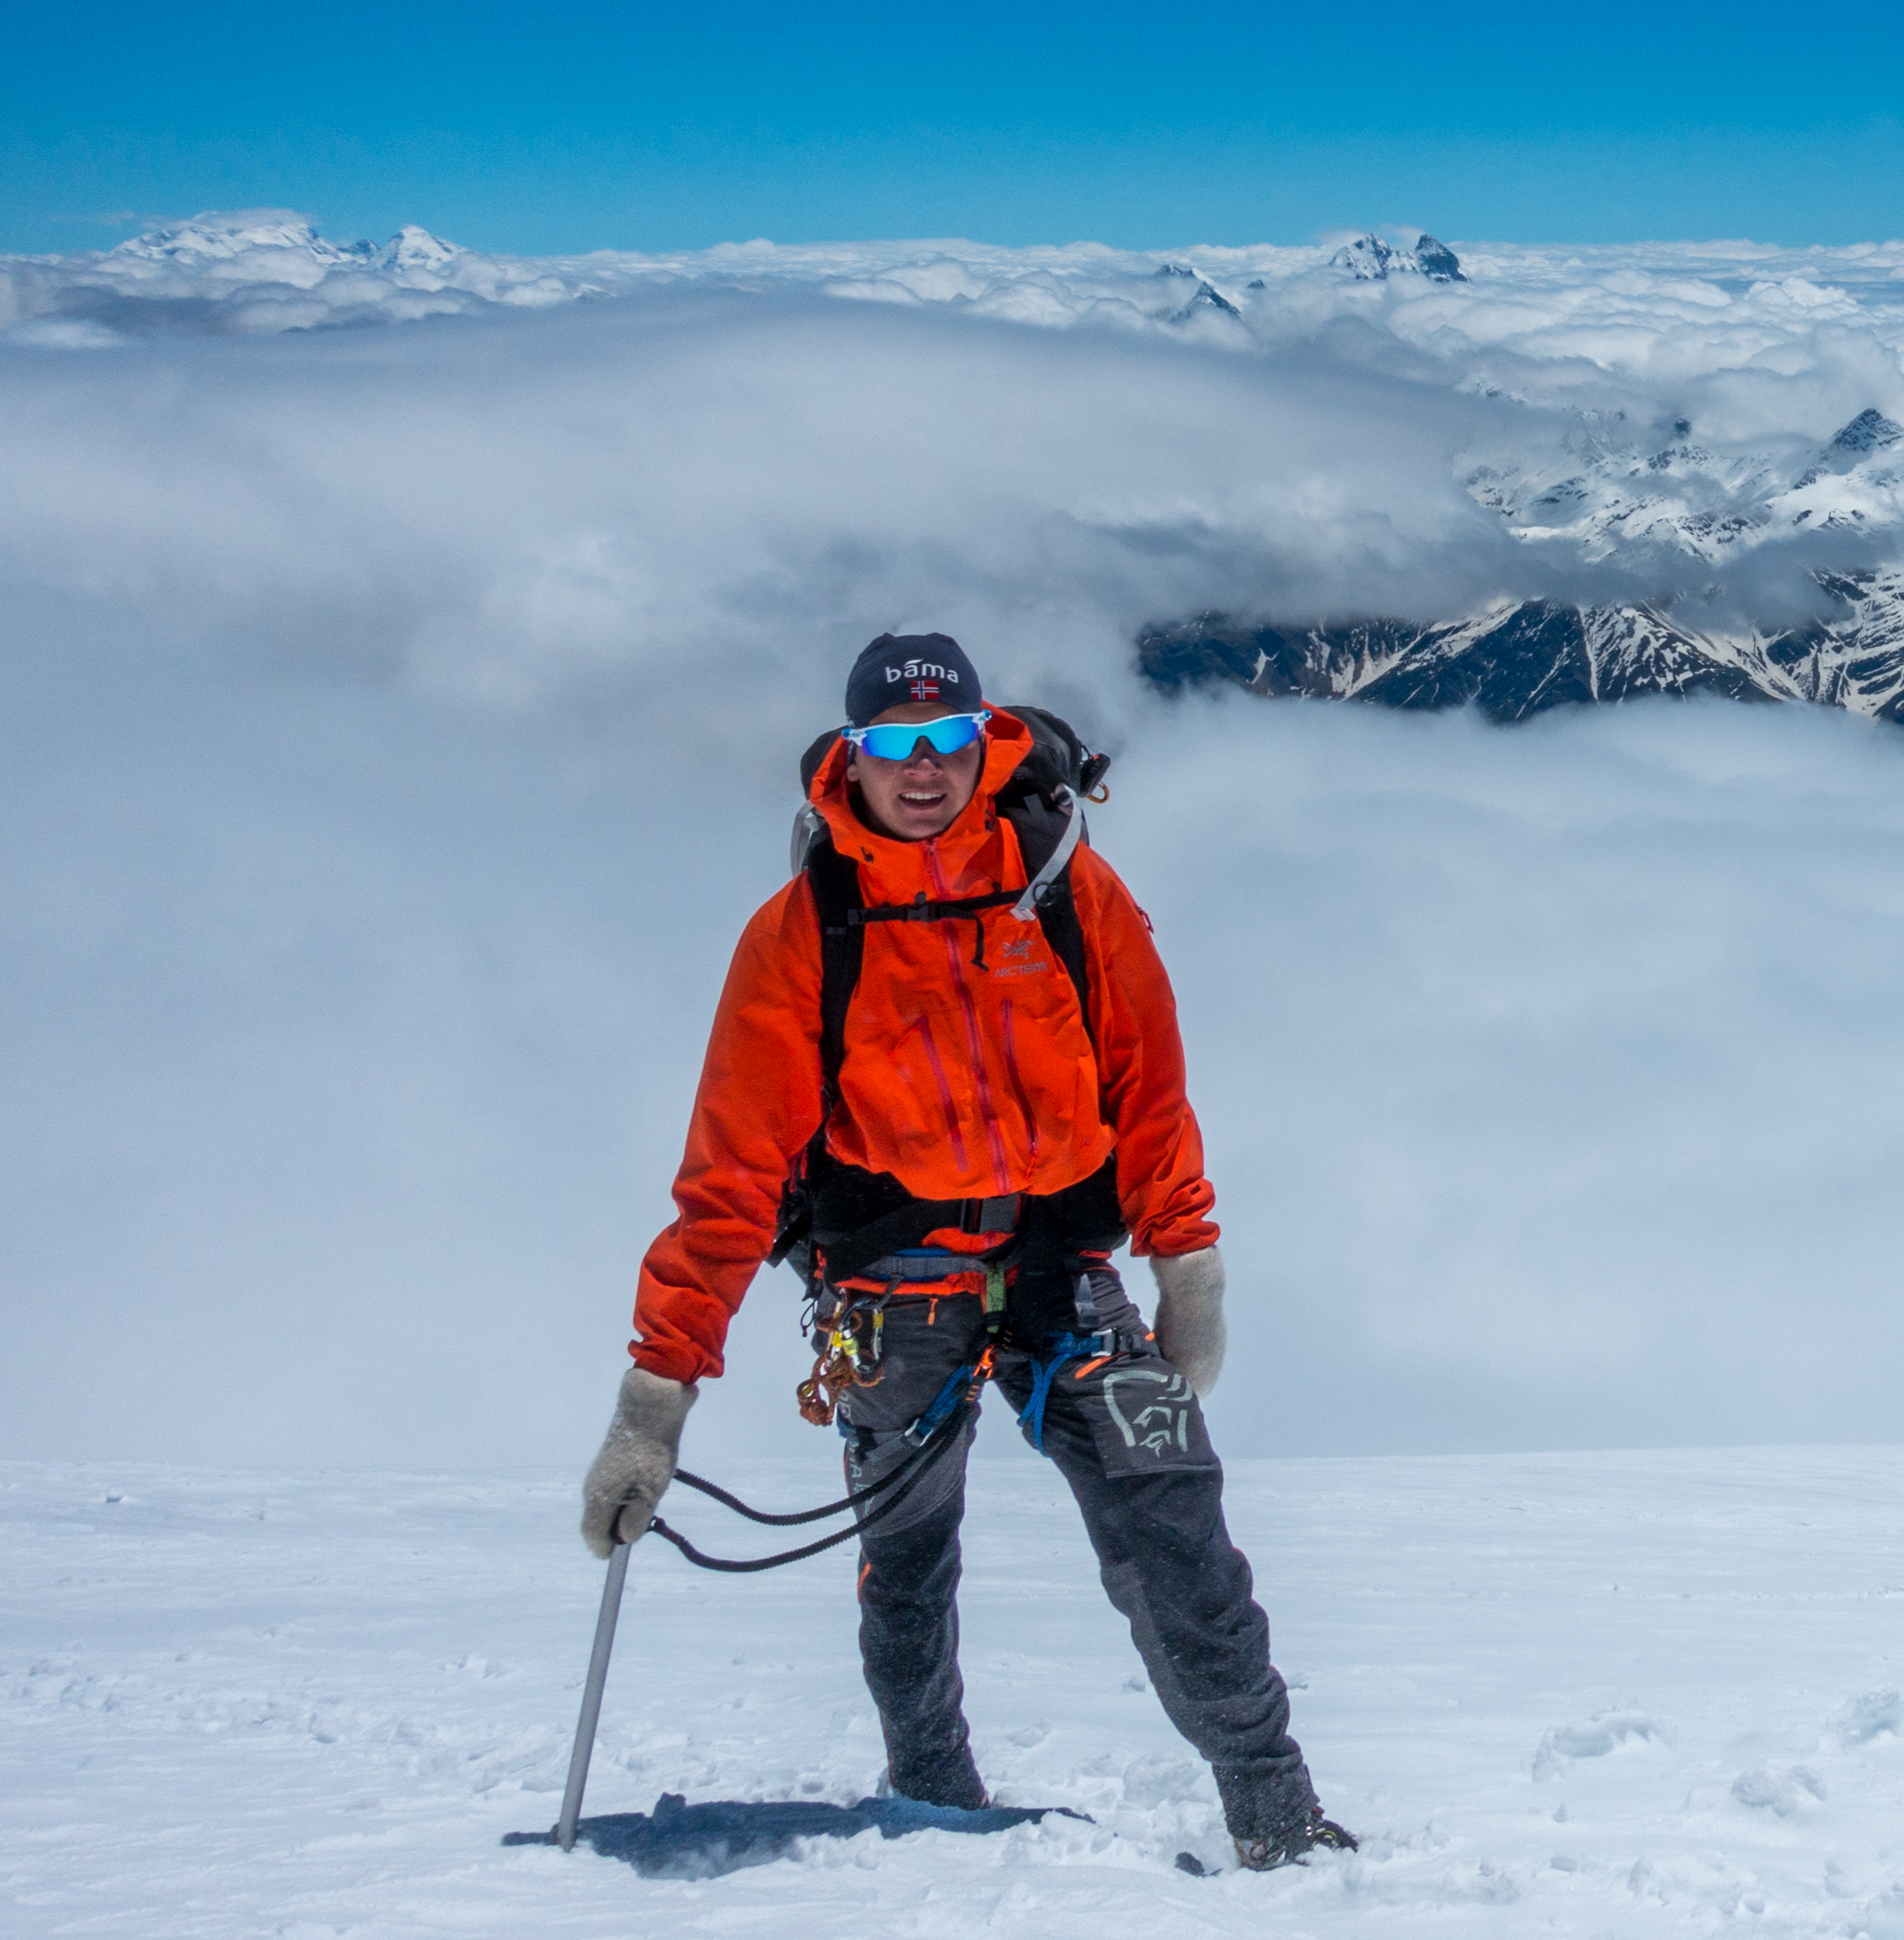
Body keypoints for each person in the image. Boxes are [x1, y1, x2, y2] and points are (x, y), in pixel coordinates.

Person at [576, 630, 1350, 1869]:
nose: (923, 768)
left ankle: (1277, 1812)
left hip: (1059, 1273)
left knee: (1176, 1521)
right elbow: (730, 1175)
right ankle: (935, 1812)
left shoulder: (1067, 888)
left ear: (985, 740)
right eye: (895, 744)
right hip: (893, 1286)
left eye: (945, 740)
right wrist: (653, 1399)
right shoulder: (803, 929)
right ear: (853, 757)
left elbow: (1148, 1084)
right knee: (909, 1556)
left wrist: (1185, 1262)